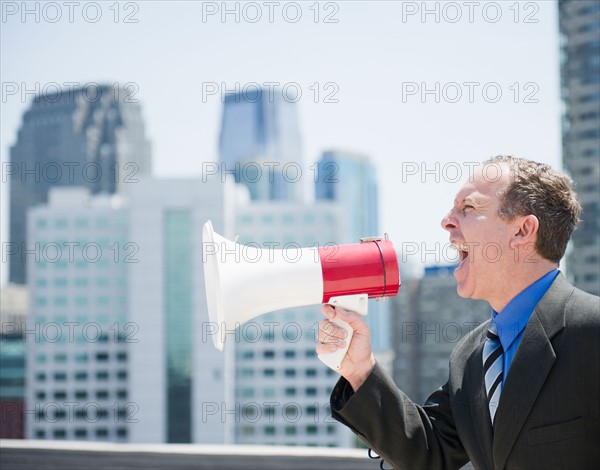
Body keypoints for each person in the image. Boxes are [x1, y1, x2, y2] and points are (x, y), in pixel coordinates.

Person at [317, 156, 600, 470]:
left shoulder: (592, 332)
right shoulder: (470, 355)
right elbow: (428, 453)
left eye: (468, 208)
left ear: (522, 230)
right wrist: (360, 370)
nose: (446, 221)